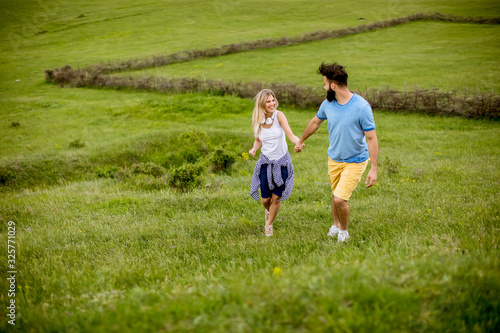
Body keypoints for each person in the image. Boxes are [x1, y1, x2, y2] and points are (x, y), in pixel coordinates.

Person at [294, 62, 378, 242]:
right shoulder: (328, 104)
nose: (324, 86)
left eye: (325, 83)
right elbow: (315, 122)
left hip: (356, 160)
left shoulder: (362, 107)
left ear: (333, 85)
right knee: (335, 195)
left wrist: (374, 168)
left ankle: (344, 232)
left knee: (340, 199)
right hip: (334, 158)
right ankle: (336, 224)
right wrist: (301, 141)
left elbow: (371, 138)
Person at [249, 89, 300, 236]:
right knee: (266, 199)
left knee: (276, 197)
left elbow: (290, 135)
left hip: (282, 162)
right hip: (266, 163)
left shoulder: (279, 116)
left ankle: (269, 225)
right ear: (262, 104)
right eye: (268, 101)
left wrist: (298, 142)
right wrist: (254, 149)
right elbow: (258, 139)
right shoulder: (258, 120)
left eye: (273, 100)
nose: (272, 104)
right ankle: (268, 210)